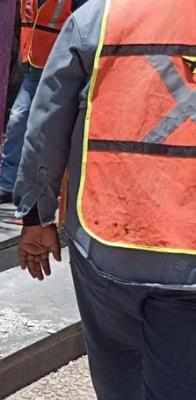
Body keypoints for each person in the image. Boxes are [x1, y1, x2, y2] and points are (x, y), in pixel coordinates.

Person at [14, 0, 196, 398]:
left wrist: (36, 218)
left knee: (118, 371)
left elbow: (45, 126)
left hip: (107, 242)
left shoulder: (98, 17)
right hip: (187, 263)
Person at [0, 0, 86, 204]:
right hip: (32, 67)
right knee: (18, 120)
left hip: (61, 70)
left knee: (53, 129)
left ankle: (57, 186)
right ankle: (7, 184)